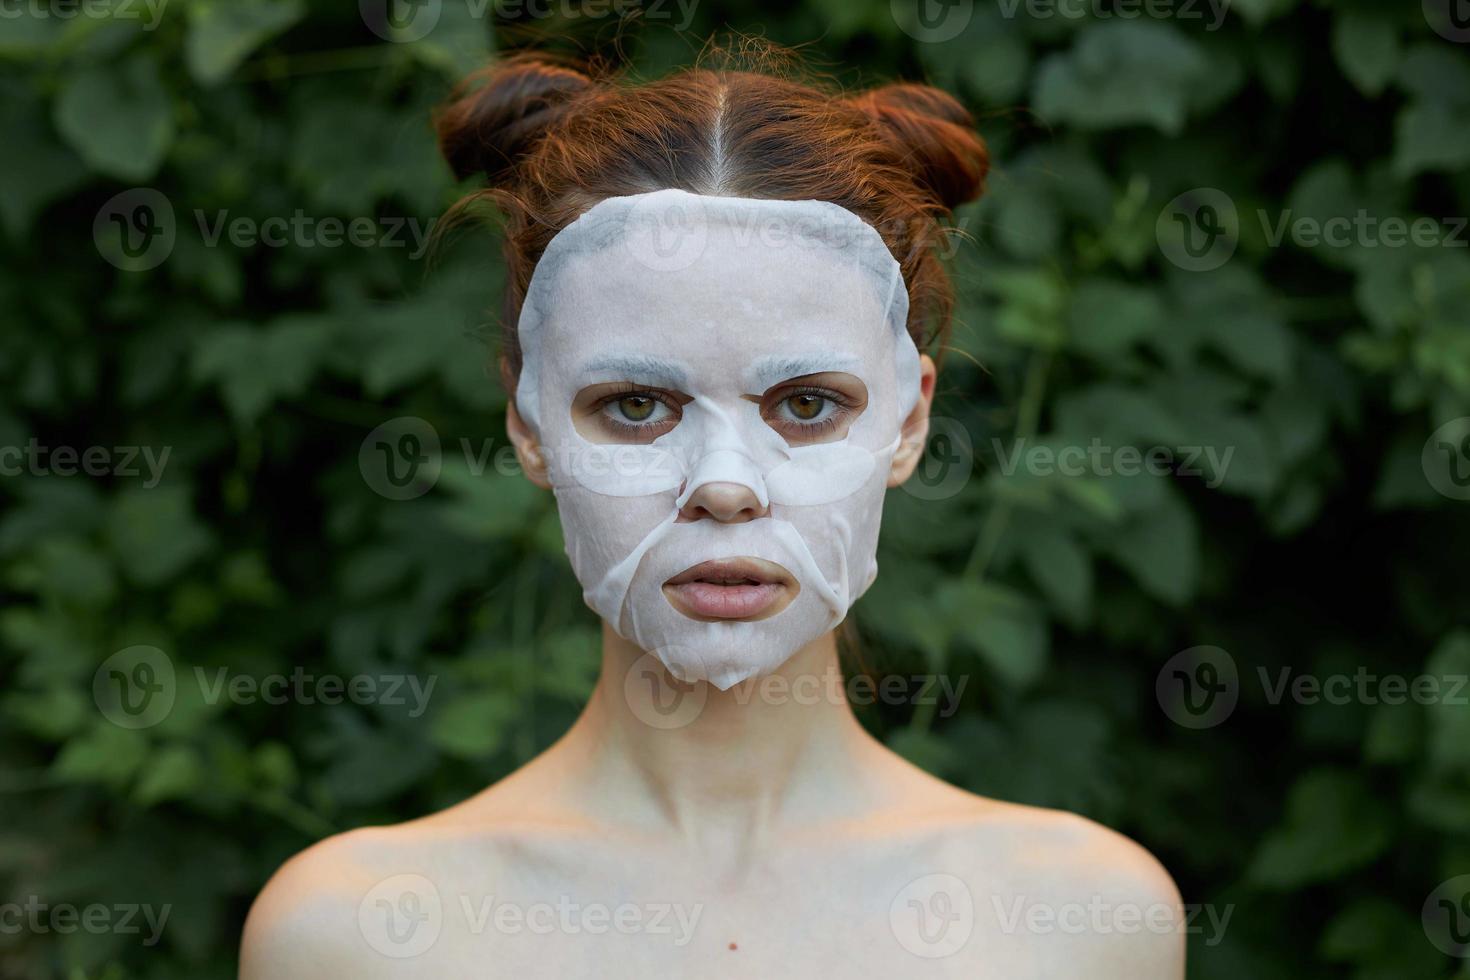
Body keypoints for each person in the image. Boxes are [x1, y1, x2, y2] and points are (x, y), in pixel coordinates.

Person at [241, 49, 1184, 978]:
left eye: (806, 405)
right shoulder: (354, 934)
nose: (725, 487)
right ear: (528, 423)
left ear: (909, 421)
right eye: (636, 405)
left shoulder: (1083, 923)